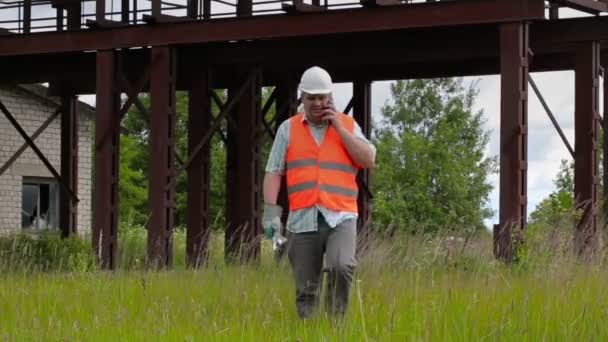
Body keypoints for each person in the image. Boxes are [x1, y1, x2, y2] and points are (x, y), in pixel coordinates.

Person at [262, 66, 376, 319]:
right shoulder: (288, 129)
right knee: (306, 289)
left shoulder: (347, 124)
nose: (317, 103)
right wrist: (271, 212)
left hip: (341, 215)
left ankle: (335, 326)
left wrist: (338, 126)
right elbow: (273, 172)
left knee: (341, 265)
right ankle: (309, 332)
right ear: (302, 97)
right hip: (302, 219)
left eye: (322, 97)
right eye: (312, 98)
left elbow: (368, 158)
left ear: (330, 97)